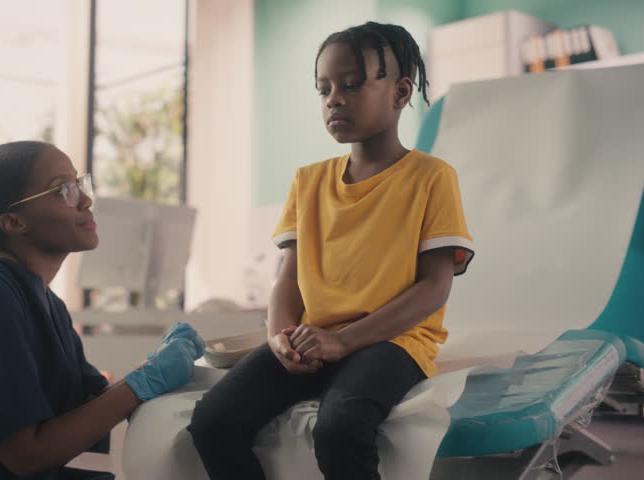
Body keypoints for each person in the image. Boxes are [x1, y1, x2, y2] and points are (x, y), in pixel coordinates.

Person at [187, 22, 474, 480]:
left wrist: (343, 341)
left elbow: (434, 286)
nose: (333, 99)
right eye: (324, 89)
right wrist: (281, 337)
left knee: (339, 428)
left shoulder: (432, 177)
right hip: (311, 338)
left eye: (352, 84)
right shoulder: (308, 181)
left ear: (401, 93)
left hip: (392, 342)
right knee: (212, 421)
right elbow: (288, 277)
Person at [0, 141, 204, 479]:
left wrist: (153, 369)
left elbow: (89, 404)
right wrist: (145, 381)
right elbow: (26, 456)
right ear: (13, 222)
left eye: (79, 184)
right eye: (63, 190)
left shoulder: (45, 302)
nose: (86, 200)